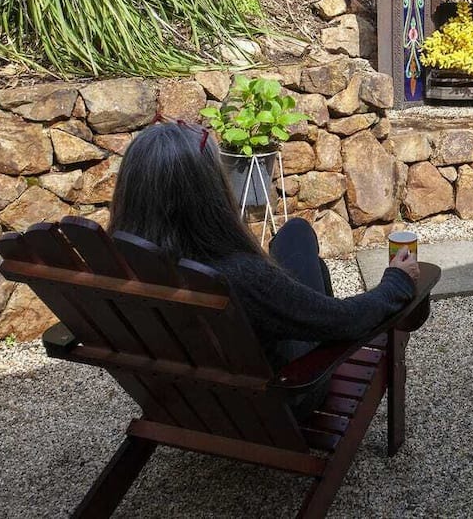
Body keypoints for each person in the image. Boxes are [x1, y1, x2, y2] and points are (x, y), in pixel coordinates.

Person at [107, 120, 420, 417]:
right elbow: (343, 322)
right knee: (304, 252)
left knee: (295, 233)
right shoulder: (238, 276)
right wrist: (395, 283)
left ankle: (295, 297)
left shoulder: (117, 267)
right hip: (283, 396)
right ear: (208, 194)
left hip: (183, 399)